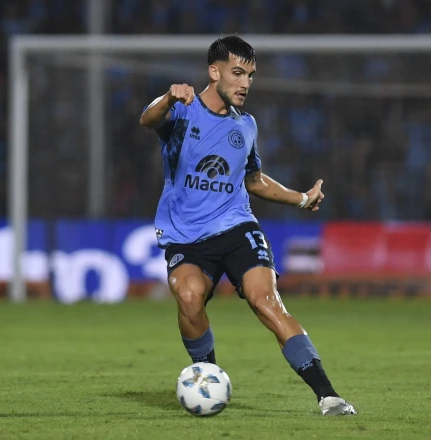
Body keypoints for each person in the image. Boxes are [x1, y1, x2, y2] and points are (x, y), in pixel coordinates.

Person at [140, 35, 357, 416]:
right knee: (188, 297)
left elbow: (253, 180)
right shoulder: (183, 111)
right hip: (187, 237)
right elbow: (148, 119)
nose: (245, 83)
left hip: (237, 227)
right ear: (214, 72)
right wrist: (169, 97)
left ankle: (329, 396)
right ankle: (208, 374)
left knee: (266, 301)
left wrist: (301, 198)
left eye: (251, 75)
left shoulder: (246, 125)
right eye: (237, 73)